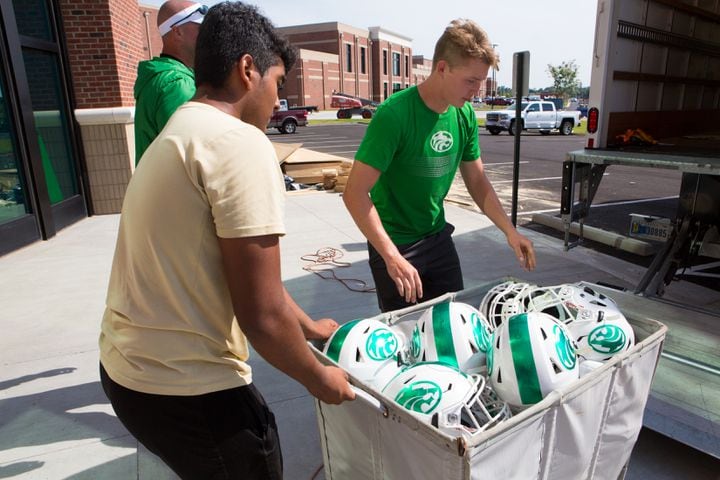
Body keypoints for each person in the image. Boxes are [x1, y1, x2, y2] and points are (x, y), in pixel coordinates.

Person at [99, 3, 355, 479]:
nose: (279, 102)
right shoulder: (237, 142)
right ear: (246, 68)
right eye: (278, 83)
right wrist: (320, 379)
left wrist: (310, 329)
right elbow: (260, 315)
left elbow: (246, 277)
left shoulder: (180, 129)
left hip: (129, 373)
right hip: (184, 389)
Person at [343, 19, 536, 313]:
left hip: (437, 238)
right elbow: (354, 194)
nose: (476, 90)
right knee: (407, 336)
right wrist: (391, 257)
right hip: (395, 243)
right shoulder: (394, 115)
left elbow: (478, 181)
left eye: (481, 81)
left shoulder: (465, 116)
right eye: (470, 81)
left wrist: (510, 231)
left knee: (453, 324)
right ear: (442, 68)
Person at [133, 0, 206, 164]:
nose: (207, 37)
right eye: (201, 29)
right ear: (177, 32)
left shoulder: (162, 78)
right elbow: (193, 159)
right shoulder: (176, 84)